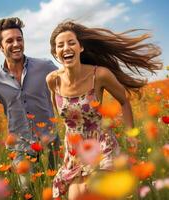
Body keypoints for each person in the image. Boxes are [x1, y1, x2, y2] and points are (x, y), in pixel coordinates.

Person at [46, 20, 162, 199]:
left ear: (81, 47)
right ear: (55, 53)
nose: (66, 48)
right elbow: (62, 115)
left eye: (71, 42)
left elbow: (124, 101)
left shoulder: (99, 74)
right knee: (76, 197)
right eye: (60, 45)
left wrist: (131, 134)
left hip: (101, 142)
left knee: (95, 192)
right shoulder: (53, 80)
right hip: (74, 149)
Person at [0, 17, 60, 170]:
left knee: (58, 190)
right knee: (27, 191)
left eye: (19, 39)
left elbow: (68, 79)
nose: (16, 44)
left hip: (51, 144)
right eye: (9, 41)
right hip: (20, 149)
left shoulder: (45, 66)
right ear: (0, 47)